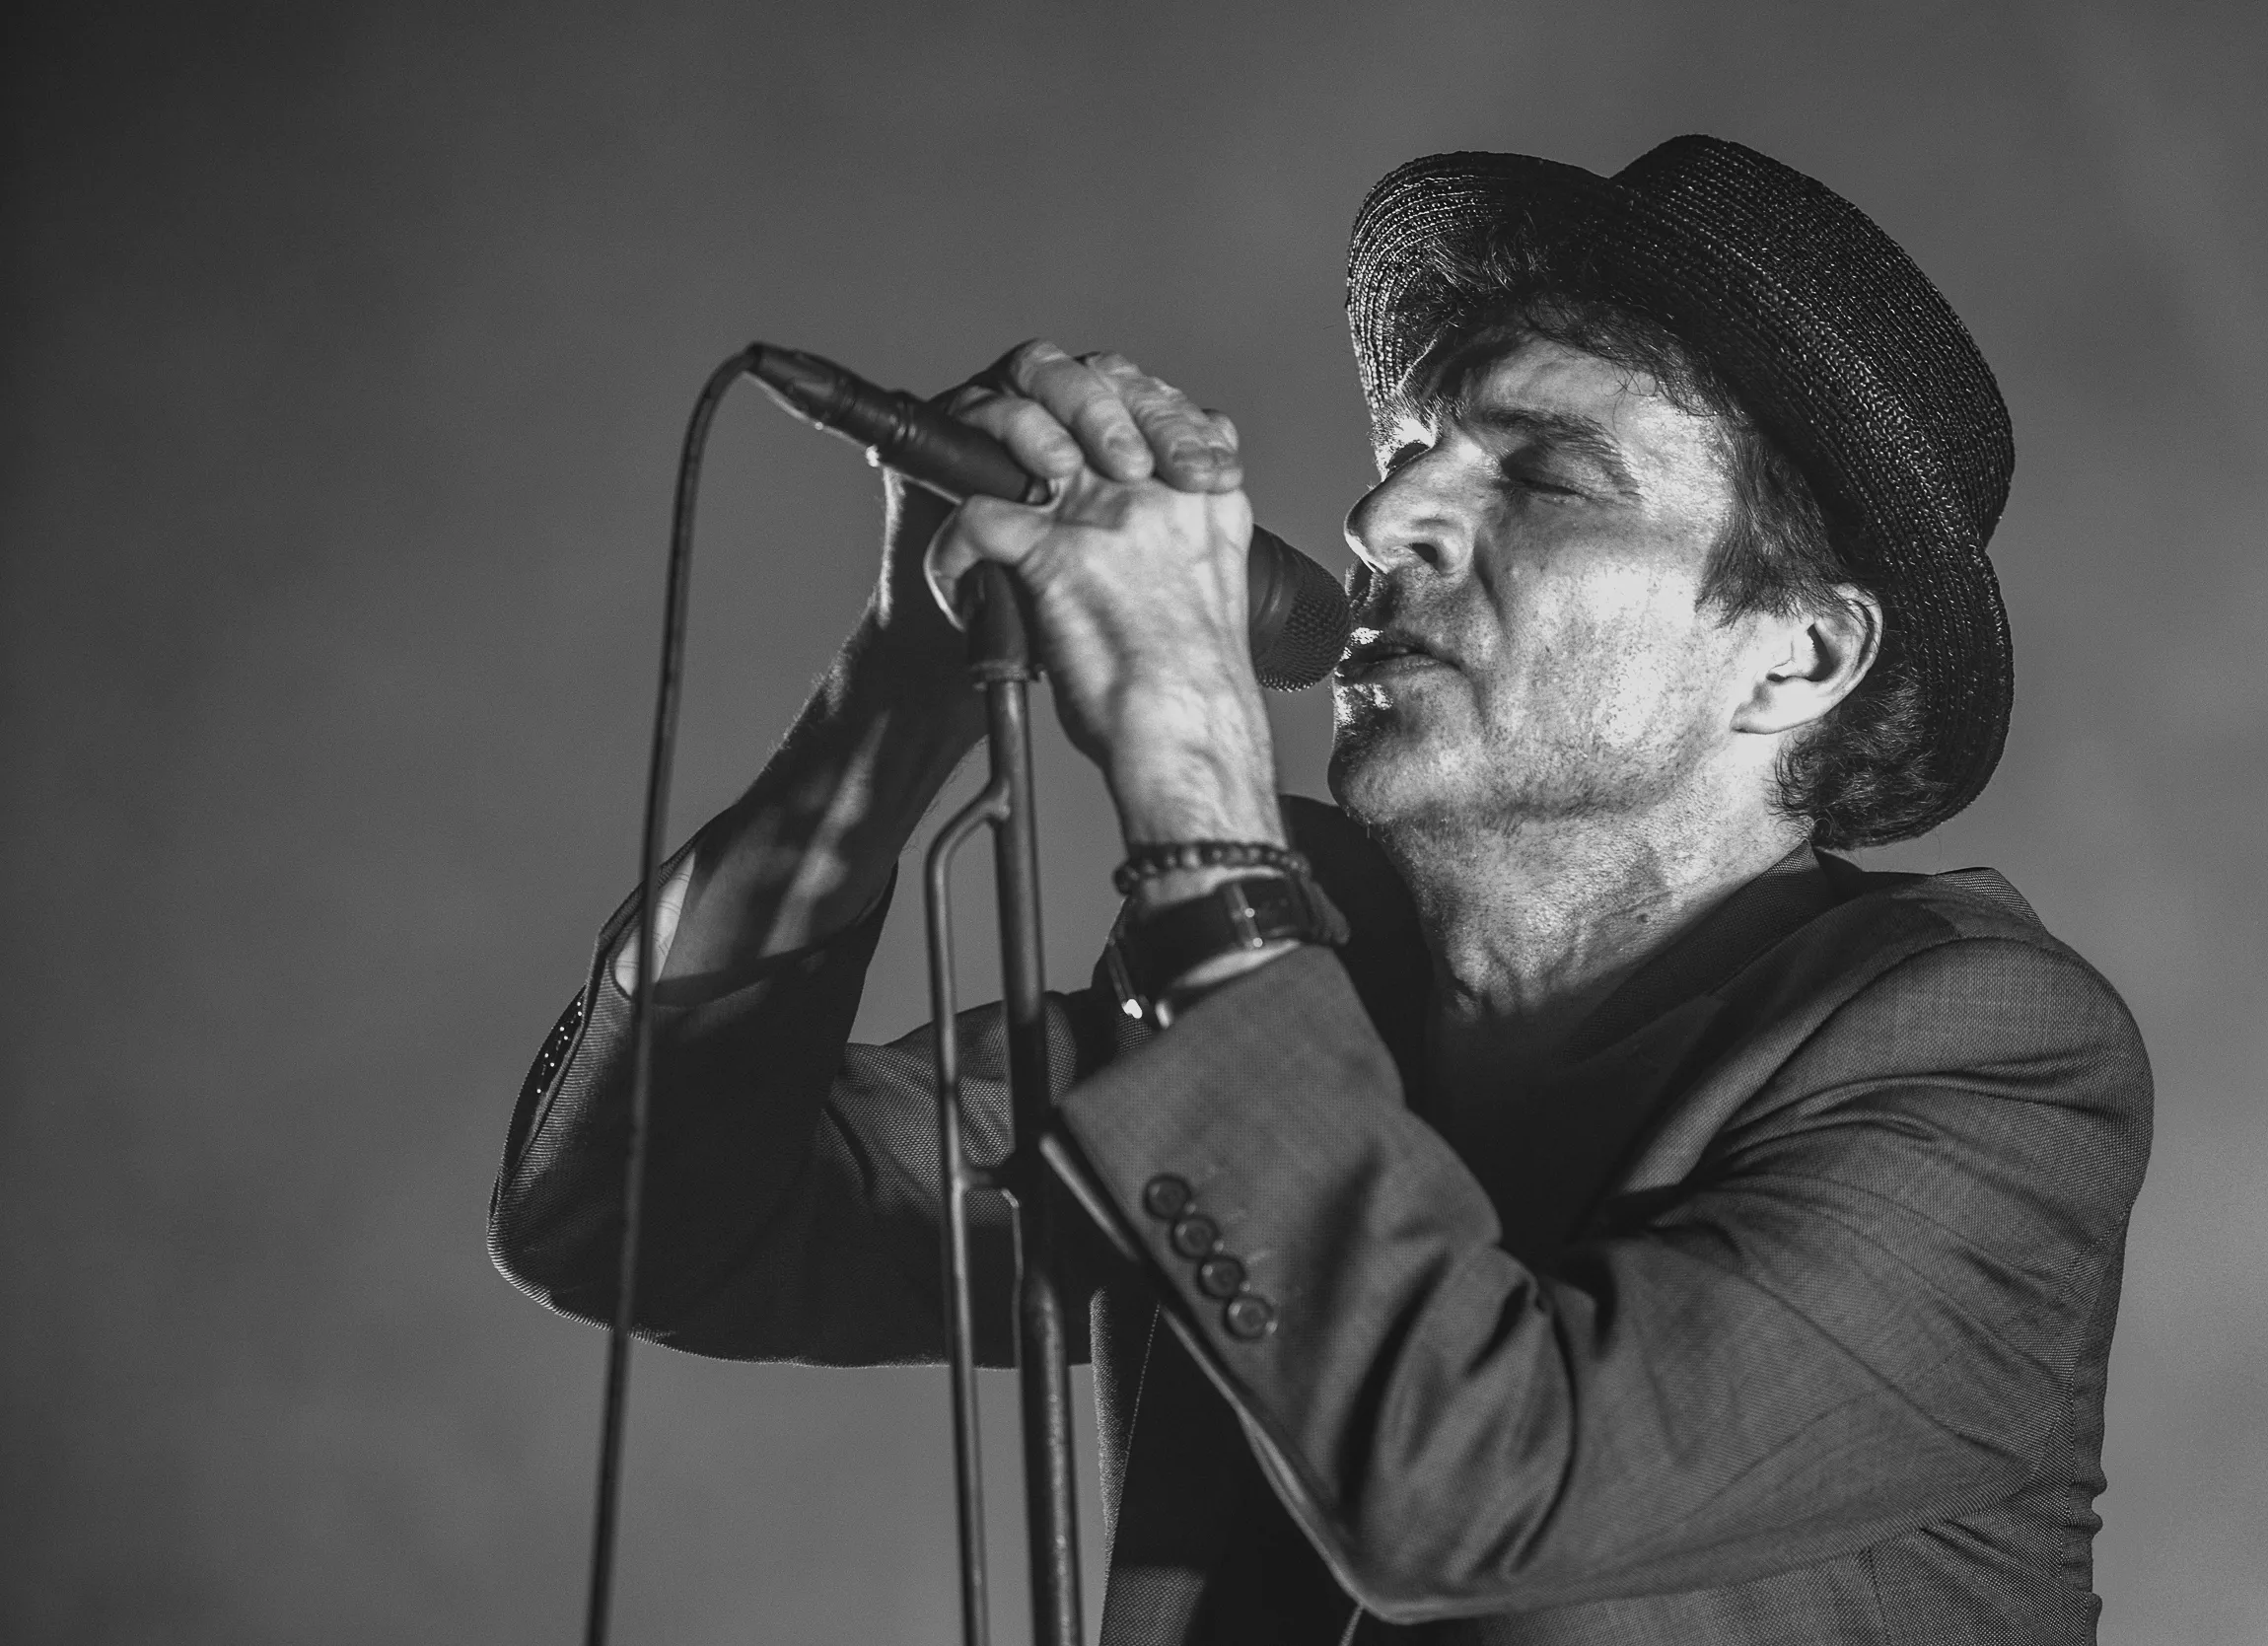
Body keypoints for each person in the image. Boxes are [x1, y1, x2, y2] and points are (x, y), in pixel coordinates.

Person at [492, 136, 2153, 1643]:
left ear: (1798, 656)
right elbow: (641, 1225)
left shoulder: (1976, 1053)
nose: (1381, 518)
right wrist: (898, 688)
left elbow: (1480, 1490)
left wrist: (1190, 766)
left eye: (1547, 476)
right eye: (1410, 451)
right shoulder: (1304, 995)